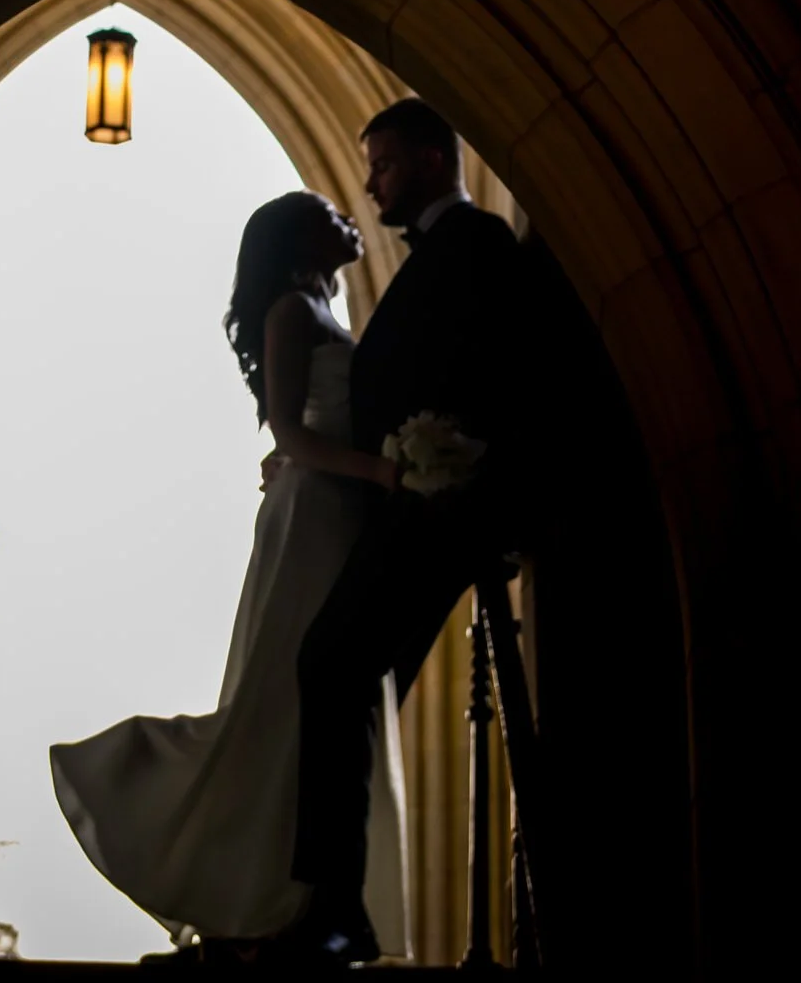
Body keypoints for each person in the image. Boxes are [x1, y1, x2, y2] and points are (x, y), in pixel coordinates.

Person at [49, 191, 411, 963]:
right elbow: (291, 431)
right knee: (280, 697)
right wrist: (382, 472)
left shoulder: (323, 305)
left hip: (339, 511)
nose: (350, 217)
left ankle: (301, 897)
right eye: (328, 215)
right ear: (298, 240)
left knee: (318, 709)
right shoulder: (290, 311)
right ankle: (143, 785)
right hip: (312, 517)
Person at [282, 98, 536, 970]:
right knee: (350, 681)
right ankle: (332, 905)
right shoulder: (442, 254)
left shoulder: (476, 246)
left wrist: (457, 482)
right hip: (410, 506)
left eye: (382, 166)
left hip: (436, 514)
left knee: (331, 664)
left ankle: (336, 910)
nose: (370, 186)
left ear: (431, 160)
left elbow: (490, 374)